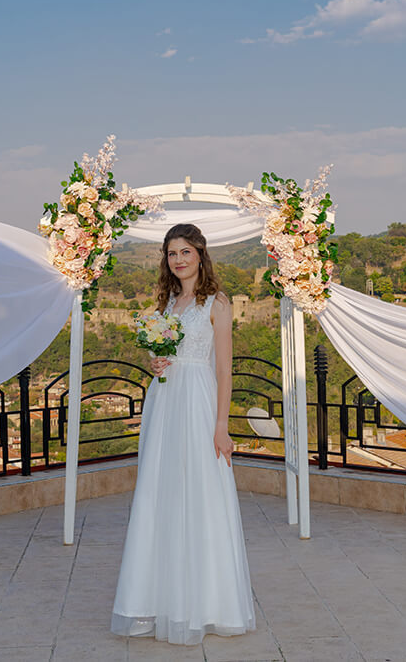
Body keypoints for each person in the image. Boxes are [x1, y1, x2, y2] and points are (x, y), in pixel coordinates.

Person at [110, 223, 255, 646]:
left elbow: (224, 368)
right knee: (161, 492)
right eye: (172, 253)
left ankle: (208, 604)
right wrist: (156, 362)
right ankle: (157, 601)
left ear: (200, 254)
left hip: (197, 402)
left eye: (185, 252)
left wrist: (221, 425)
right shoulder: (167, 302)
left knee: (201, 491)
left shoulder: (217, 302)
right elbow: (163, 352)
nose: (178, 260)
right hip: (164, 402)